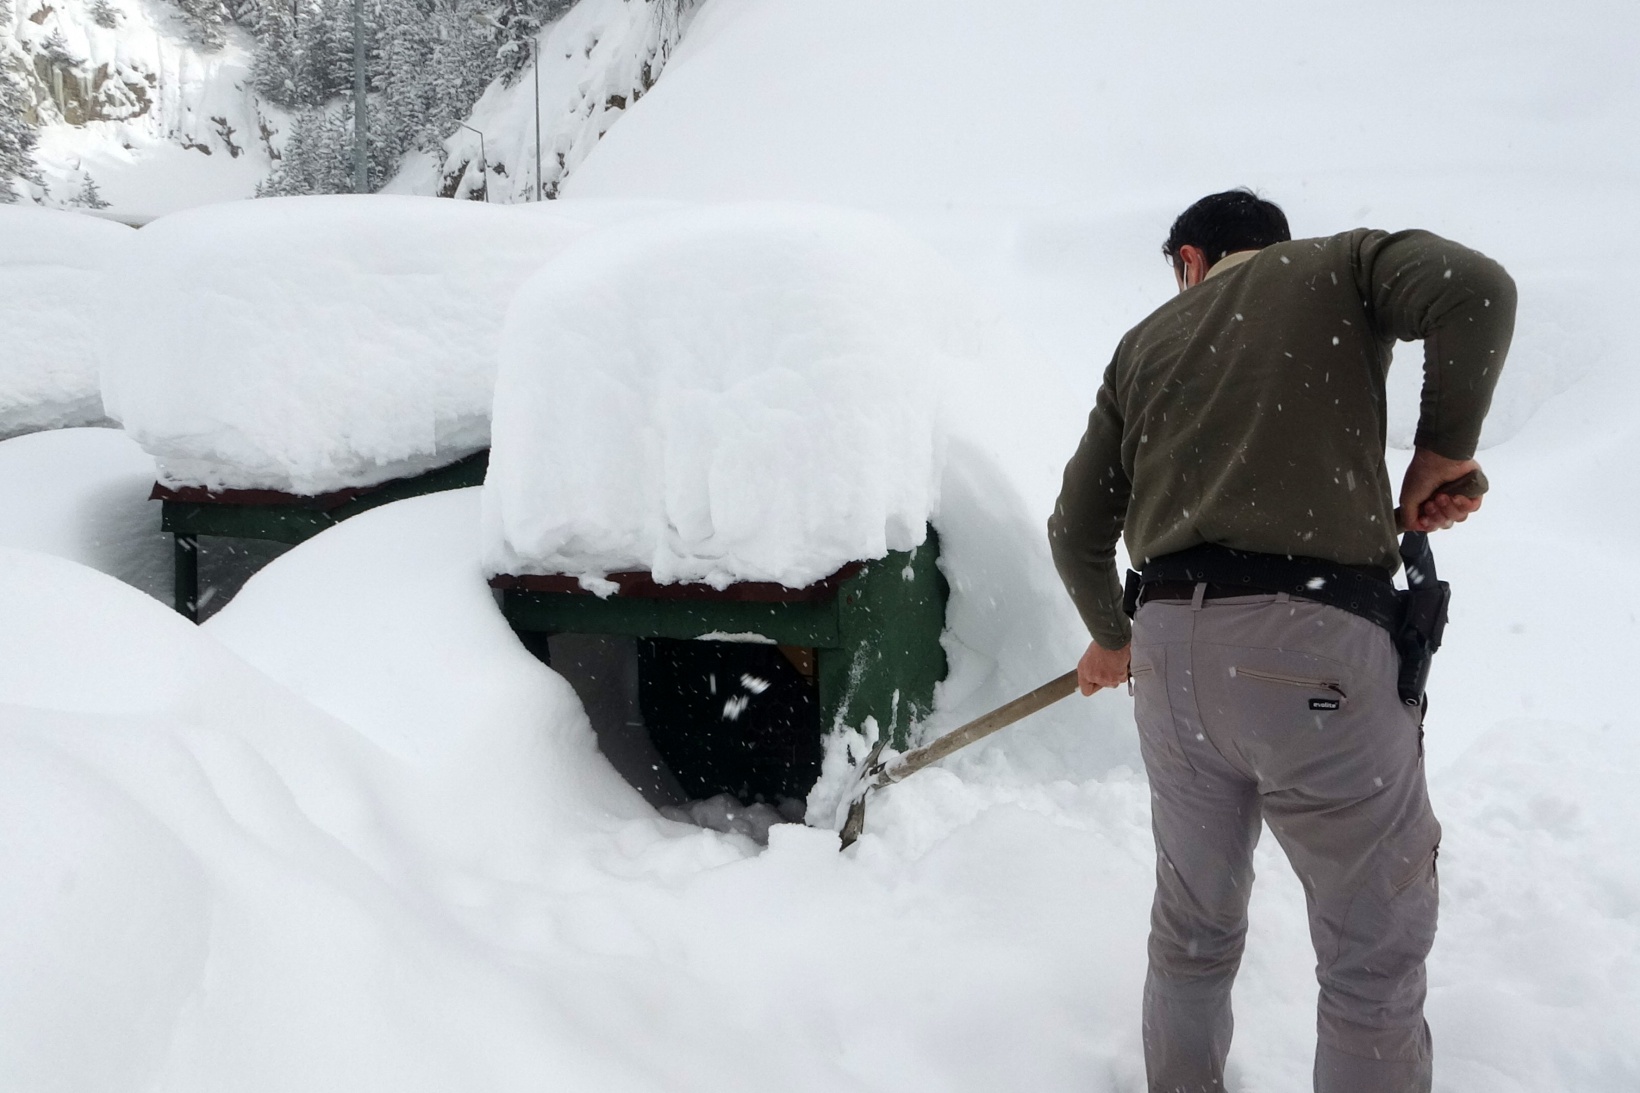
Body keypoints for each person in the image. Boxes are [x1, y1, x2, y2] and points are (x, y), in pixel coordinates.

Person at [1047, 189, 1516, 1092]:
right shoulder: (1337, 267)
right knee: (1369, 958)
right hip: (1310, 651)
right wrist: (1442, 454)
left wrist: (1113, 639)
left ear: (1191, 259)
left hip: (1174, 658)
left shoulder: (1144, 344)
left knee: (1191, 930)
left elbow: (1076, 530)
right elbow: (1476, 288)